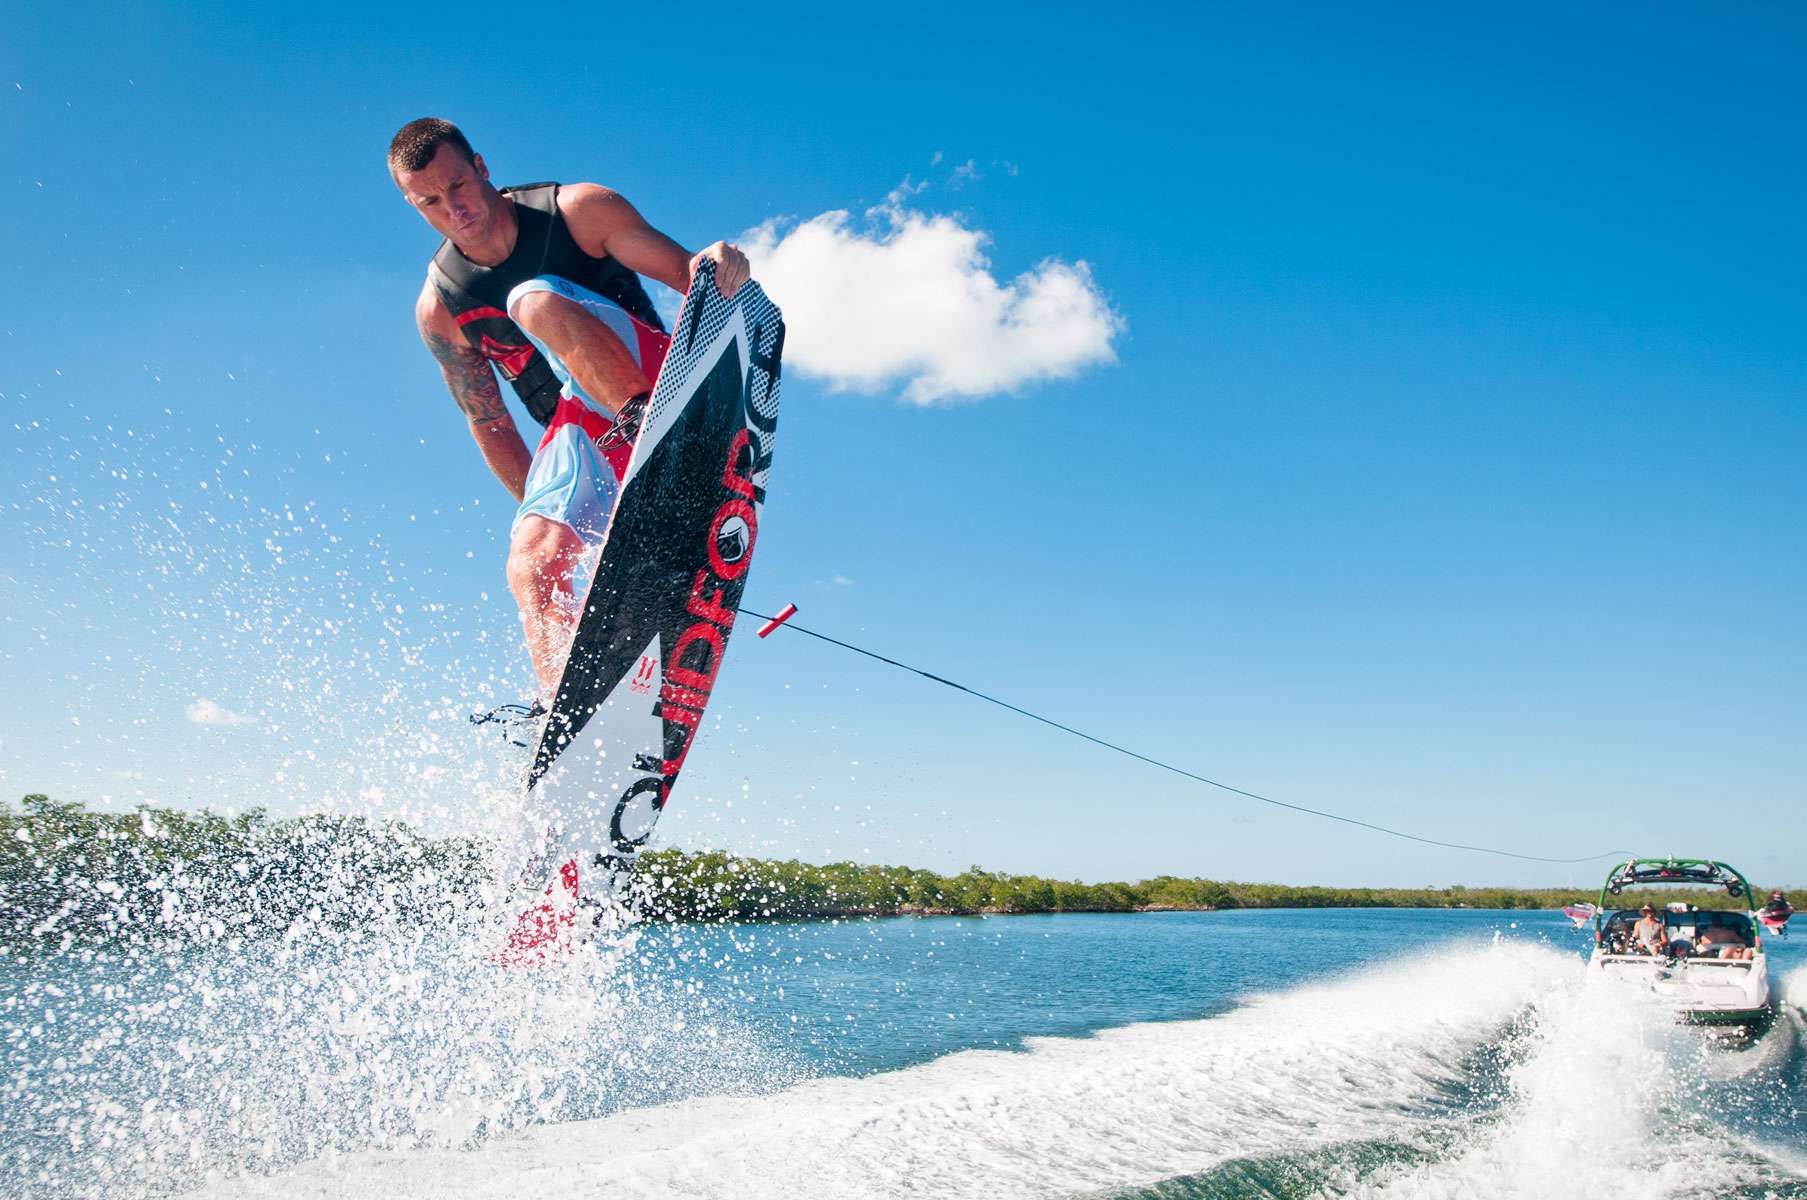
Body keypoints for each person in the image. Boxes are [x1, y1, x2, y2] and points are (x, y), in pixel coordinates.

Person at [390, 117, 751, 695]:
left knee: (530, 299)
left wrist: (715, 262)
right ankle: (569, 712)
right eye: (430, 201)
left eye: (457, 185)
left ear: (482, 169)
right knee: (532, 562)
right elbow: (490, 423)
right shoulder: (442, 309)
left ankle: (657, 451)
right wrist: (567, 518)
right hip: (589, 428)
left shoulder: (578, 211)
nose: (453, 209)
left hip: (661, 385)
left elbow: (694, 279)